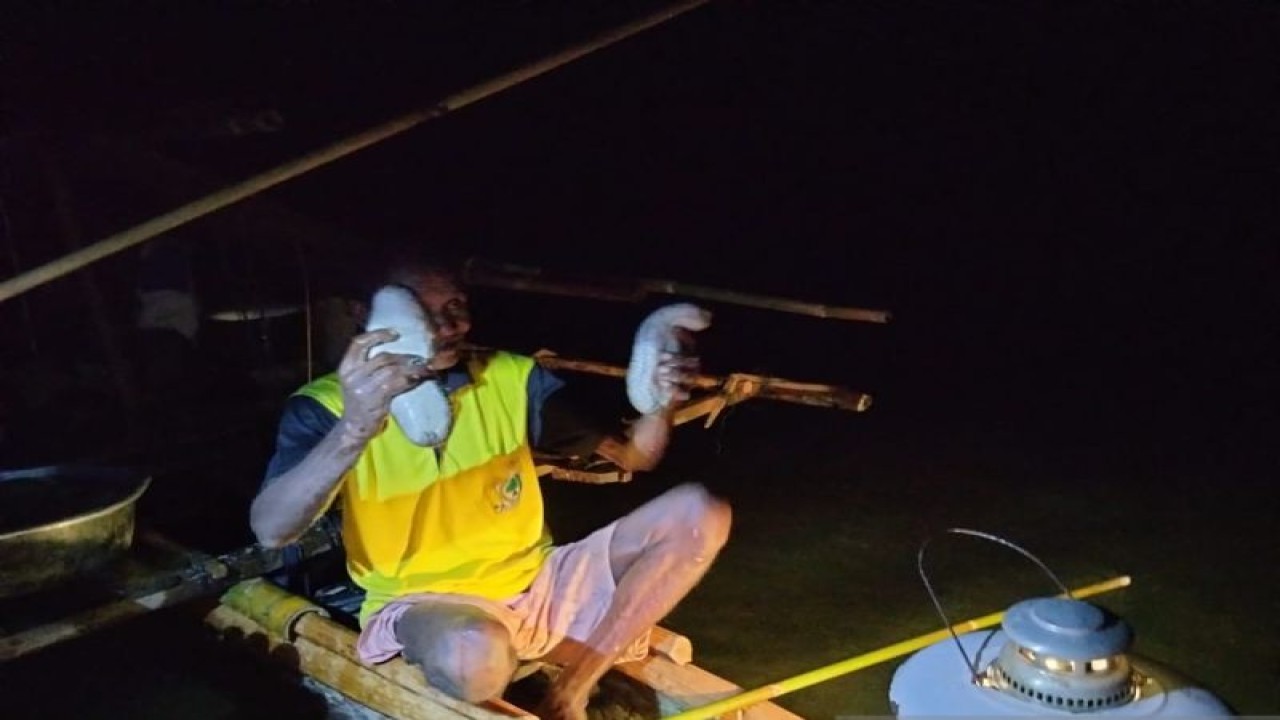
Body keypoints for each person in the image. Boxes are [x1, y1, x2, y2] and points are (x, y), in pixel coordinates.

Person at [249, 257, 731, 720]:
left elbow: (636, 456)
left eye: (456, 305)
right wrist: (356, 426)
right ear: (364, 315)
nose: (449, 325)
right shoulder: (328, 406)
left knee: (698, 512)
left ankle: (573, 688)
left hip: (534, 581)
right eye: (423, 311)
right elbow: (272, 530)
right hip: (428, 603)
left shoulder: (510, 377)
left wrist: (661, 398)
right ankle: (501, 666)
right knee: (473, 652)